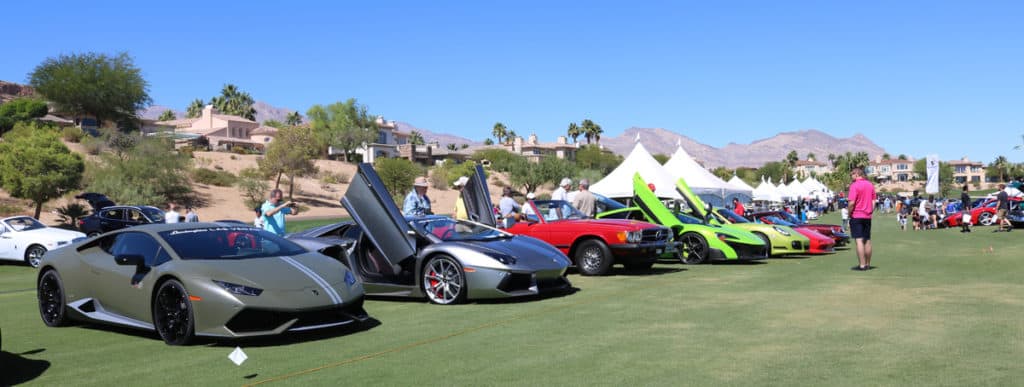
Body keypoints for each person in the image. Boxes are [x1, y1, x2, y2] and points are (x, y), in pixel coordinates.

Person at [847, 167, 875, 271]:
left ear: (857, 174)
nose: (851, 177)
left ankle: (862, 265)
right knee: (867, 240)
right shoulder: (870, 184)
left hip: (857, 215)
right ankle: (868, 264)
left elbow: (851, 203)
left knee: (859, 240)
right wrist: (870, 211)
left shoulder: (854, 186)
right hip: (867, 216)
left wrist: (849, 213)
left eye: (852, 175)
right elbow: (873, 201)